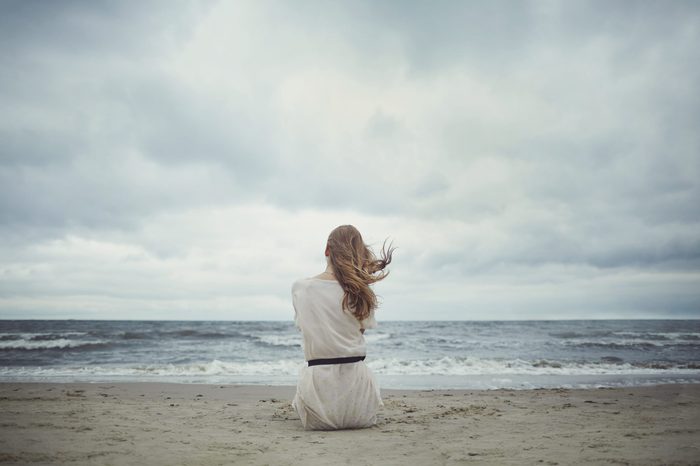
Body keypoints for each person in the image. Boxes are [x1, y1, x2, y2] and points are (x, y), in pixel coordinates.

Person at [291, 225, 395, 430]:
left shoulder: (301, 287)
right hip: (361, 405)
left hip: (319, 398)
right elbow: (358, 331)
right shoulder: (360, 292)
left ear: (326, 250)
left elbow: (305, 327)